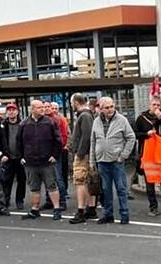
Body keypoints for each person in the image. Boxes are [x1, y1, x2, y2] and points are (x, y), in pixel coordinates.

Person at [89, 97, 136, 224]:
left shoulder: (122, 120)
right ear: (101, 108)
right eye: (107, 107)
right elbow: (93, 141)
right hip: (102, 161)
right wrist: (92, 162)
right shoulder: (96, 121)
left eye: (111, 107)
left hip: (116, 161)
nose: (110, 110)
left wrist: (123, 155)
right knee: (106, 189)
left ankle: (124, 214)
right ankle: (108, 214)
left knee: (121, 188)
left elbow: (131, 138)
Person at [18, 100, 63, 221]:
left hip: (47, 161)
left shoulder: (50, 122)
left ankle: (57, 209)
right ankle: (34, 210)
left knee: (52, 186)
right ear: (32, 109)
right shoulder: (23, 124)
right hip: (30, 162)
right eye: (39, 108)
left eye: (43, 107)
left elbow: (58, 140)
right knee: (34, 187)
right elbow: (19, 142)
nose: (43, 109)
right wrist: (21, 157)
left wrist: (55, 155)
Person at [134, 97, 161, 217]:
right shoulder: (141, 118)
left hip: (160, 154)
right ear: (149, 105)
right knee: (150, 182)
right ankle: (153, 208)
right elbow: (135, 134)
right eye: (154, 104)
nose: (156, 107)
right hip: (147, 154)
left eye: (158, 105)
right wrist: (145, 134)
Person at [68, 93, 99, 224]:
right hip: (86, 153)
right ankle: (91, 209)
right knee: (89, 181)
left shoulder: (84, 116)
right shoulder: (86, 115)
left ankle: (81, 211)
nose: (71, 105)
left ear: (75, 102)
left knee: (80, 181)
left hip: (83, 155)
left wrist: (79, 153)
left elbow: (86, 136)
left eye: (71, 103)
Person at [41, 101, 69, 211]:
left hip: (56, 153)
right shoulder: (41, 120)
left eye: (49, 107)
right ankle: (49, 201)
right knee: (47, 178)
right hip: (44, 154)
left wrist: (57, 151)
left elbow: (64, 136)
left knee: (58, 178)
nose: (47, 109)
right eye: (45, 107)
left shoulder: (59, 120)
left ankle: (62, 201)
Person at [1, 103, 26, 210]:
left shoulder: (23, 124)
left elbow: (27, 141)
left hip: (20, 157)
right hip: (8, 157)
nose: (11, 112)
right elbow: (0, 141)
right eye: (9, 110)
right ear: (7, 112)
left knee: (22, 180)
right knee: (6, 180)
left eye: (13, 110)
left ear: (17, 111)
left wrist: (24, 156)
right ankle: (5, 200)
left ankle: (19, 200)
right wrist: (2, 154)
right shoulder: (2, 125)